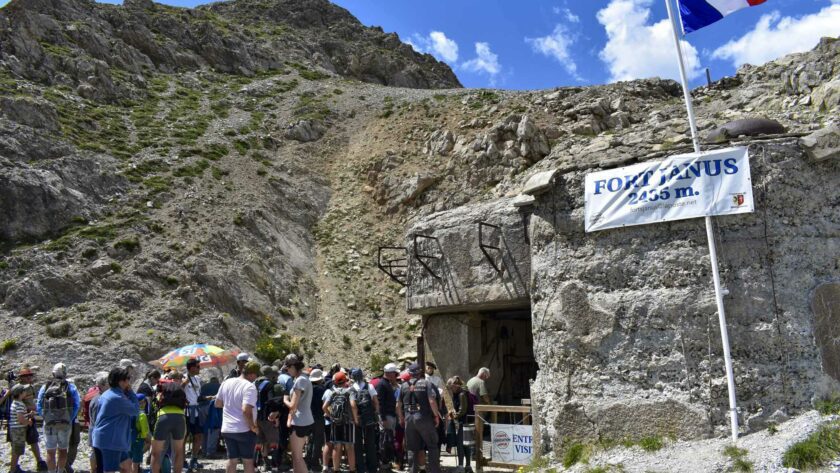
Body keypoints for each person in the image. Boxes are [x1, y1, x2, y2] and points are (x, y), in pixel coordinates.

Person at [92, 368, 140, 473]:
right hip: (111, 440)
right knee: (110, 470)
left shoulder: (108, 394)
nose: (129, 382)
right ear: (121, 381)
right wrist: (131, 392)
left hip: (109, 438)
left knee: (127, 465)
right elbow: (136, 410)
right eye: (127, 379)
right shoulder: (117, 397)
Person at [215, 361, 260, 473]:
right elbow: (246, 410)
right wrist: (253, 427)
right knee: (248, 461)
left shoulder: (227, 382)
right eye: (256, 375)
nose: (256, 377)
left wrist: (231, 405)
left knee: (232, 460)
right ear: (251, 374)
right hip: (244, 429)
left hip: (227, 428)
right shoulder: (250, 387)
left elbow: (218, 404)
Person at [36, 363, 81, 473]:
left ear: (53, 373)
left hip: (49, 424)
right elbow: (77, 404)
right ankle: (60, 471)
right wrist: (69, 418)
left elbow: (39, 405)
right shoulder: (71, 387)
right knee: (63, 450)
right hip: (65, 423)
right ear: (66, 374)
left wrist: (46, 417)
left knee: (50, 452)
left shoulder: (45, 387)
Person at [397, 364, 441, 473]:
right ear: (419, 372)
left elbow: (398, 405)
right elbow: (431, 401)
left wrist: (401, 418)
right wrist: (436, 416)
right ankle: (434, 471)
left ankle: (412, 471)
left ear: (410, 373)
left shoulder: (403, 386)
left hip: (409, 419)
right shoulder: (427, 383)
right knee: (432, 446)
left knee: (412, 448)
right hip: (424, 418)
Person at [150, 373, 187, 473]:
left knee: (156, 453)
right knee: (178, 452)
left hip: (164, 417)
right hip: (180, 417)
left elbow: (155, 403)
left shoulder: (162, 387)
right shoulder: (179, 389)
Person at [284, 355, 313, 473]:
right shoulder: (304, 378)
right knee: (297, 457)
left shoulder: (300, 380)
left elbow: (292, 405)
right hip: (305, 420)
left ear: (292, 366)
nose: (287, 371)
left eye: (287, 368)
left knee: (297, 457)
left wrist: (285, 399)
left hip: (299, 422)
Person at [323, 372, 356, 473]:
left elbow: (324, 407)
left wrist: (331, 416)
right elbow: (353, 405)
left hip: (335, 423)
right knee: (349, 447)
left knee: (336, 446)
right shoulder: (350, 391)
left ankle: (336, 469)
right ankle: (352, 469)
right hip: (348, 422)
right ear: (345, 380)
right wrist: (356, 419)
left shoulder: (332, 392)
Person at [18, 367, 48, 472]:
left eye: (30, 375)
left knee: (32, 440)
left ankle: (39, 461)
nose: (30, 377)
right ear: (23, 377)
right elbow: (19, 403)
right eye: (28, 376)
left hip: (28, 416)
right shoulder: (21, 389)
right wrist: (30, 409)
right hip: (24, 416)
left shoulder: (26, 387)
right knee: (24, 441)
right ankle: (16, 464)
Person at [350, 369, 379, 473]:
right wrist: (375, 414)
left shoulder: (352, 388)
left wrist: (356, 418)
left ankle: (361, 468)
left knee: (357, 445)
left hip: (357, 420)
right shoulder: (369, 386)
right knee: (370, 443)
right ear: (362, 376)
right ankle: (372, 468)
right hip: (369, 419)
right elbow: (376, 402)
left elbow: (353, 405)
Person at [253, 366, 281, 469]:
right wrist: (275, 414)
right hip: (267, 418)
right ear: (270, 374)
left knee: (259, 442)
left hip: (256, 418)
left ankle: (255, 467)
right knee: (274, 441)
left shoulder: (254, 383)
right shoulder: (269, 384)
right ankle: (274, 466)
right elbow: (271, 400)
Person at [447, 378, 473, 473]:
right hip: (465, 421)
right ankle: (468, 466)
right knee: (465, 444)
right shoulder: (459, 393)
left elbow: (462, 410)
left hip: (464, 422)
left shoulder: (461, 394)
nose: (450, 389)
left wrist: (454, 416)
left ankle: (461, 467)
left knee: (460, 444)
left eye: (451, 387)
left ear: (455, 385)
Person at [9, 383, 36, 473]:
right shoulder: (20, 404)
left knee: (16, 450)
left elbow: (20, 415)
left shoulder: (15, 403)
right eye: (24, 391)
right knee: (16, 451)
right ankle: (12, 470)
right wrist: (28, 422)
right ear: (20, 393)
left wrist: (28, 415)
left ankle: (14, 469)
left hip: (15, 429)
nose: (26, 392)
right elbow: (20, 419)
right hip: (18, 430)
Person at [183, 359, 205, 470]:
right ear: (191, 368)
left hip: (196, 410)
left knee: (199, 435)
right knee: (184, 437)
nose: (199, 368)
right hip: (186, 411)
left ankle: (194, 459)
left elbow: (198, 395)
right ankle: (182, 460)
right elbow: (179, 390)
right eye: (198, 366)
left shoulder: (197, 379)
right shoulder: (183, 378)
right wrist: (184, 383)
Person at [377, 363, 399, 470]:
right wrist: (383, 418)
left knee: (389, 440)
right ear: (390, 373)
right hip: (386, 416)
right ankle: (384, 463)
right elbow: (380, 403)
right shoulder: (382, 384)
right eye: (394, 373)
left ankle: (387, 462)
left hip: (390, 415)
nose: (395, 375)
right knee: (385, 440)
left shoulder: (387, 383)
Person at [87, 372, 109, 473]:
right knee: (99, 460)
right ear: (103, 385)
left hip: (97, 434)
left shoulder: (98, 398)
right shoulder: (99, 400)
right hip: (99, 435)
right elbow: (97, 421)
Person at [305, 369, 326, 473]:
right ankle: (314, 464)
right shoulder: (322, 389)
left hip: (307, 417)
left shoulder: (307, 388)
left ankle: (307, 461)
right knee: (318, 441)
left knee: (309, 440)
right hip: (318, 417)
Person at [200, 376, 222, 458]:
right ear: (217, 381)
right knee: (213, 429)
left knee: (204, 430)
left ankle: (204, 451)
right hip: (213, 409)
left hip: (201, 409)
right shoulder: (220, 386)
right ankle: (210, 452)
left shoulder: (204, 386)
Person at [130, 395, 151, 473]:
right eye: (141, 402)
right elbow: (144, 432)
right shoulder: (142, 415)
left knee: (129, 460)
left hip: (129, 438)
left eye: (143, 402)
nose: (143, 404)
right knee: (135, 463)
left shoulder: (130, 412)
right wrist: (147, 438)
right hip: (138, 440)